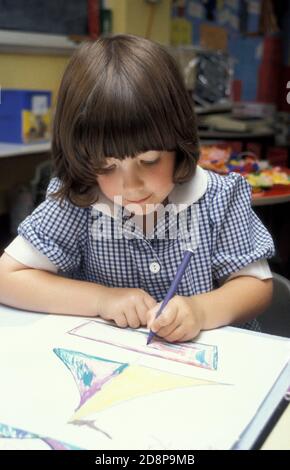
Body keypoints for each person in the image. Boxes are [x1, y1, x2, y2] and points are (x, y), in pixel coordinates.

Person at [0, 35, 274, 342]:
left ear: (178, 141)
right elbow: (6, 277)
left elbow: (256, 285)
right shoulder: (80, 196)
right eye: (106, 166)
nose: (129, 186)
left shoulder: (220, 197)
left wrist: (201, 310)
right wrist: (102, 299)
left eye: (150, 160)